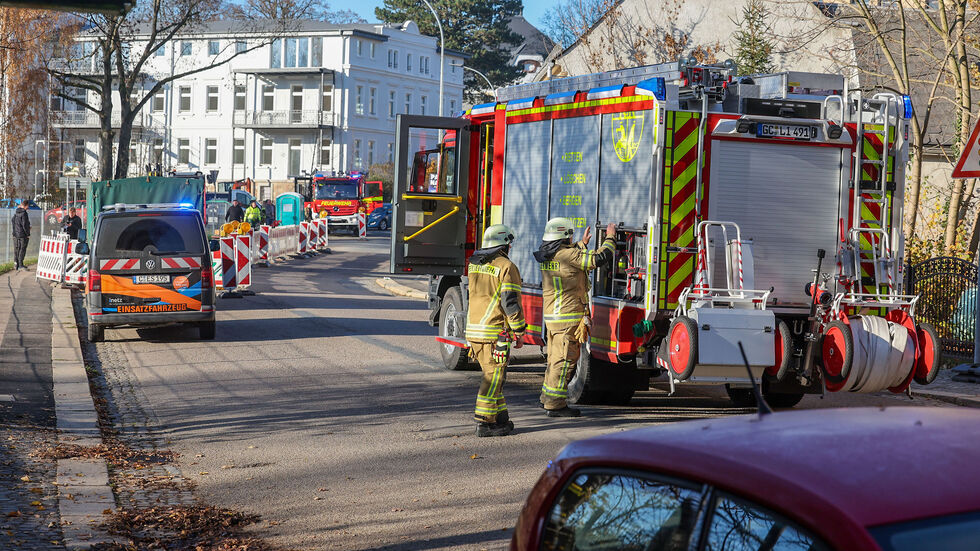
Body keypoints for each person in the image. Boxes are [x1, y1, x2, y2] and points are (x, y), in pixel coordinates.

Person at [533, 218, 616, 417]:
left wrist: (581, 245)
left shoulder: (550, 255)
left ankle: (547, 399)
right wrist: (610, 237)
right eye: (569, 235)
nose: (572, 238)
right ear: (563, 236)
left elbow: (570, 264)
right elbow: (598, 259)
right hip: (567, 318)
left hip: (554, 318)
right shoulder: (567, 254)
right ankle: (556, 405)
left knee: (554, 360)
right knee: (564, 361)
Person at [465, 224, 526, 437]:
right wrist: (519, 330)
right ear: (504, 245)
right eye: (509, 243)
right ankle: (483, 423)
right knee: (493, 378)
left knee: (495, 376)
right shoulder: (506, 266)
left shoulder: (474, 264)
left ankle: (500, 418)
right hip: (494, 333)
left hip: (474, 332)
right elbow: (510, 303)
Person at [11, 199, 31, 271]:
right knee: (22, 249)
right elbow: (24, 225)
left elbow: (13, 221)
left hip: (15, 234)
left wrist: (14, 232)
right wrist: (28, 233)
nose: (28, 207)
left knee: (16, 249)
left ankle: (16, 264)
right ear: (26, 206)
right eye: (28, 206)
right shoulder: (24, 213)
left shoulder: (16, 212)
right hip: (23, 235)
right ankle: (20, 265)